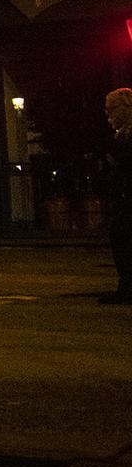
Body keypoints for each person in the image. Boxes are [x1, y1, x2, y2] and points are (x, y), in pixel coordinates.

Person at [105, 87, 132, 305]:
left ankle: (127, 287)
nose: (109, 115)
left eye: (113, 109)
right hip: (124, 196)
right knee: (121, 238)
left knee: (123, 238)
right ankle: (126, 286)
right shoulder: (121, 134)